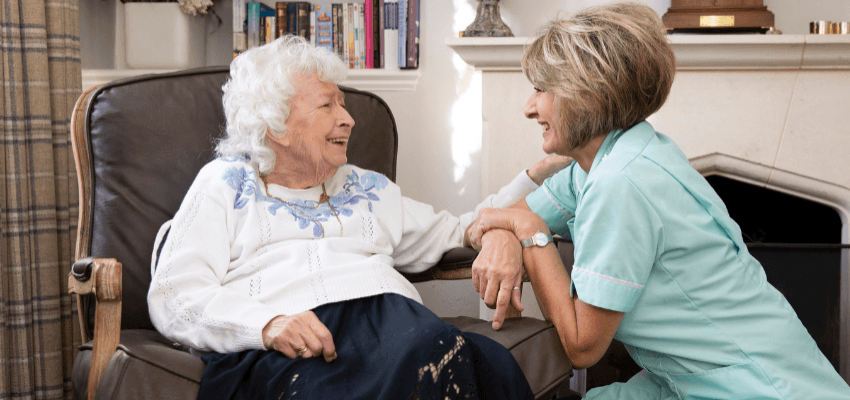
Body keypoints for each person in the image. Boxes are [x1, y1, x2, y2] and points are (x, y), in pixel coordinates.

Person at [146, 35, 567, 400]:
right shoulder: (226, 184)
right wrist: (268, 325)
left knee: (470, 358)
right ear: (277, 126)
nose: (348, 119)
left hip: (398, 330)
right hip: (291, 348)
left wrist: (534, 178)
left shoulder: (366, 188)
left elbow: (460, 229)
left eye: (343, 104)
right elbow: (174, 295)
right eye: (327, 105)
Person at [466, 3, 850, 399]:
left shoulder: (620, 181)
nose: (529, 108)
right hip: (688, 379)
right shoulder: (607, 159)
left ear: (587, 94)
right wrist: (504, 237)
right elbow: (511, 215)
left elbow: (582, 346)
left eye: (540, 89)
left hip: (754, 388)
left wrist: (529, 233)